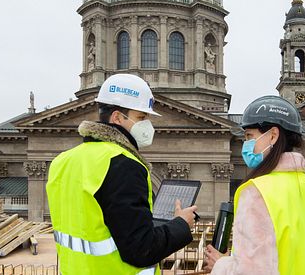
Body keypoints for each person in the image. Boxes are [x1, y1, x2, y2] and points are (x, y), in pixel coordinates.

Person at [46, 73, 197, 275]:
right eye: (141, 117)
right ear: (117, 117)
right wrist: (181, 225)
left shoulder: (62, 161)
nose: (148, 125)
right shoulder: (123, 164)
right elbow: (141, 249)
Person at [204, 95, 305, 275]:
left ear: (273, 135)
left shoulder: (257, 193)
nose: (246, 144)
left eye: (250, 136)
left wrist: (220, 265)